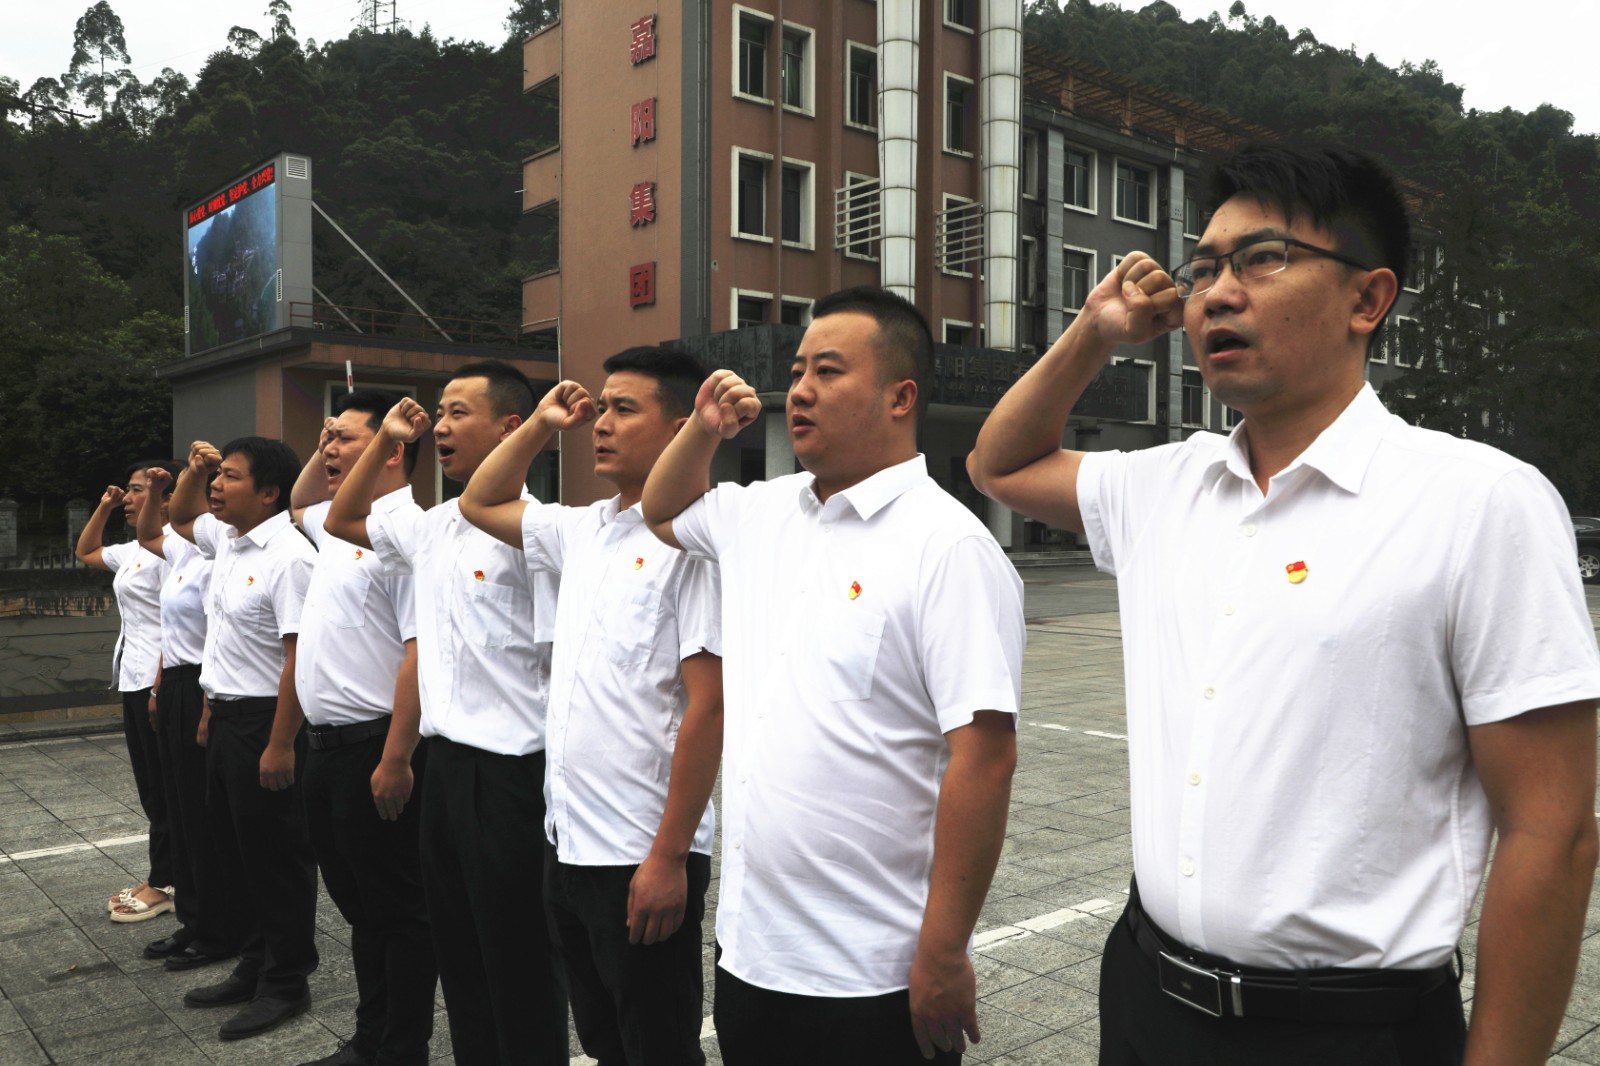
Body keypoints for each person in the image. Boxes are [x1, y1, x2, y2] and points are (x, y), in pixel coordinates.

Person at [966, 142, 1600, 1065]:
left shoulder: (1478, 503)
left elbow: (1552, 833)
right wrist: (1094, 332)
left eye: (1262, 259)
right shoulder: (1164, 485)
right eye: (1203, 269)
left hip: (1344, 1033)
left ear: (1367, 299)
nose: (1216, 294)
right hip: (1144, 996)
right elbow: (999, 464)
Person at [641, 287, 1025, 1065]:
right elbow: (660, 509)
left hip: (874, 976)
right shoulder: (761, 513)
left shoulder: (948, 548)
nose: (800, 390)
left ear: (899, 397)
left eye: (827, 370)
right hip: (752, 957)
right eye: (796, 372)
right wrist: (703, 428)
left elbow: (985, 757)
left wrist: (944, 951)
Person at [459, 348, 723, 1066]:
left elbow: (709, 709)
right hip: (569, 842)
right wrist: (542, 424)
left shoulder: (692, 545)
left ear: (680, 427)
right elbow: (479, 501)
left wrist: (669, 857)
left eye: (623, 409)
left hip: (641, 852)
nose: (600, 424)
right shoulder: (583, 529)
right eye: (600, 408)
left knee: (658, 1047)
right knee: (606, 1042)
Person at [324, 360, 568, 1065]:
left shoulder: (539, 536)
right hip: (446, 768)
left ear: (512, 427)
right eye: (440, 413)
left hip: (513, 776)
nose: (442, 426)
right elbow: (341, 518)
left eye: (460, 412)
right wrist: (386, 439)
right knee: (459, 954)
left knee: (518, 960)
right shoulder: (431, 528)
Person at [287, 390, 436, 1066]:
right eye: (328, 438)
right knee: (361, 908)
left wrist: (397, 757)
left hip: (376, 747)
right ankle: (371, 1037)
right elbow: (298, 503)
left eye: (344, 439)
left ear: (392, 450)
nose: (329, 448)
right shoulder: (337, 524)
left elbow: (418, 652)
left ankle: (399, 1046)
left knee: (397, 911)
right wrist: (327, 443)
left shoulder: (404, 533)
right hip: (326, 750)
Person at [166, 436, 320, 1041]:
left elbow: (297, 658)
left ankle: (287, 980)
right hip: (227, 717)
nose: (216, 486)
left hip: (267, 723)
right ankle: (255, 963)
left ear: (269, 492)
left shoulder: (290, 556)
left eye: (230, 476)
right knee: (237, 851)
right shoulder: (229, 540)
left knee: (277, 858)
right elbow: (180, 515)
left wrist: (280, 744)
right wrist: (211, 707)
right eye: (217, 475)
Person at [136, 463, 237, 974]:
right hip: (176, 682)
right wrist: (159, 687)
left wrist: (206, 703)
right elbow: (149, 532)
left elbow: (218, 638)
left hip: (204, 683)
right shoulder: (180, 550)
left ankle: (218, 926)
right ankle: (194, 920)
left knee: (202, 816)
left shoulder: (219, 554)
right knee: (179, 808)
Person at [75, 463, 177, 924]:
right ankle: (165, 875)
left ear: (167, 497)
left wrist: (159, 685)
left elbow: (176, 623)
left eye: (138, 490)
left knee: (163, 787)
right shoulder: (135, 549)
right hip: (133, 678)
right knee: (150, 788)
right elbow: (86, 551)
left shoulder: (171, 549)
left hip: (157, 679)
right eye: (130, 491)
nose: (129, 499)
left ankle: (166, 882)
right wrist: (104, 506)